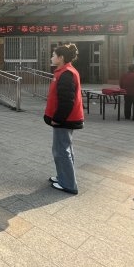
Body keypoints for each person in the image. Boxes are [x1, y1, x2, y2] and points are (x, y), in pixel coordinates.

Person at [44, 43, 84, 195]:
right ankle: (63, 177)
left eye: (53, 55)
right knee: (65, 149)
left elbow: (67, 101)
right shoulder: (64, 71)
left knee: (61, 150)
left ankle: (68, 184)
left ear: (61, 58)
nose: (51, 57)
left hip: (65, 119)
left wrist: (58, 118)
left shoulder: (66, 73)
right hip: (67, 118)